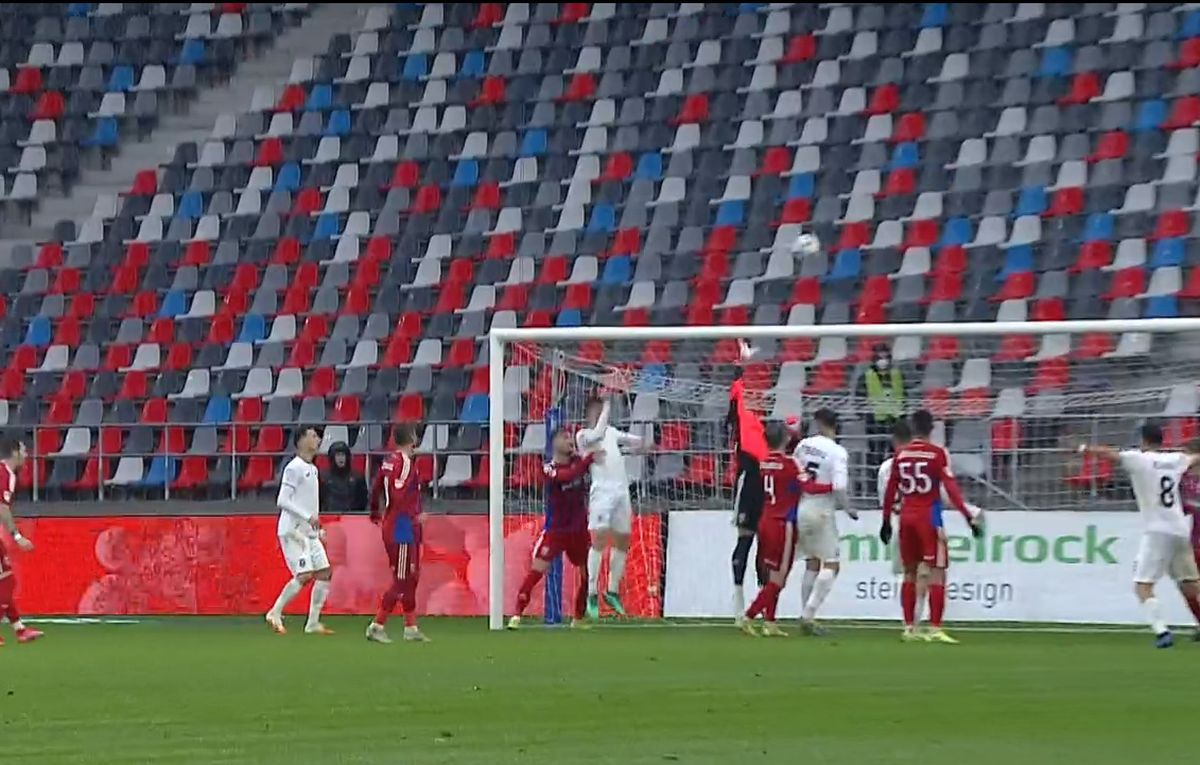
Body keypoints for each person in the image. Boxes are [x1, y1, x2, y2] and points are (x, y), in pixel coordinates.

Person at [1080, 424, 1200, 648]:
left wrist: (1084, 448)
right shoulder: (1176, 459)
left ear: (1143, 440)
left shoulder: (1139, 459)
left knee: (1142, 586)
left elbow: (1109, 453)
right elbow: (1195, 458)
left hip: (1157, 531)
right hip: (1180, 529)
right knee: (1191, 584)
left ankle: (1162, 632)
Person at [880, 410, 982, 644]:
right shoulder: (937, 453)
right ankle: (935, 628)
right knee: (937, 571)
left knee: (909, 572)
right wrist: (968, 517)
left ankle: (909, 628)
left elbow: (891, 490)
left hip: (906, 518)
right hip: (929, 518)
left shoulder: (901, 454)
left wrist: (885, 521)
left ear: (913, 428)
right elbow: (951, 489)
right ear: (932, 429)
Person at [742, 423, 831, 637]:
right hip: (783, 523)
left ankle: (770, 622)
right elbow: (808, 487)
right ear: (785, 439)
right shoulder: (790, 464)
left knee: (773, 574)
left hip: (765, 519)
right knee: (779, 578)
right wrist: (832, 487)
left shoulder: (764, 463)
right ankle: (749, 615)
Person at [508, 428, 599, 630]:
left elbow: (585, 466)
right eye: (565, 437)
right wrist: (588, 460)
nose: (570, 440)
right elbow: (566, 476)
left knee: (587, 574)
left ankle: (578, 617)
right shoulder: (549, 468)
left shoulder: (577, 461)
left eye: (570, 437)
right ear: (554, 443)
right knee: (537, 570)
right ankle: (517, 614)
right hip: (556, 530)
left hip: (579, 530)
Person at [576, 394, 649, 620]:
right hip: (602, 494)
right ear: (588, 413)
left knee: (623, 540)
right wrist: (608, 402)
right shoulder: (584, 435)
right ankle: (591, 592)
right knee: (599, 539)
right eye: (596, 410)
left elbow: (629, 439)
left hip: (621, 491)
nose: (601, 414)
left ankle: (612, 590)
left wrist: (642, 443)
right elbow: (598, 432)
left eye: (602, 410)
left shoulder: (611, 432)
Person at [265, 425, 334, 636]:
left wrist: (317, 528)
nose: (318, 440)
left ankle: (312, 623)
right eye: (313, 436)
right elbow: (282, 500)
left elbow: (309, 502)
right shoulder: (293, 468)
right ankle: (275, 612)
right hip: (292, 530)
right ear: (301, 440)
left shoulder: (313, 469)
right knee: (304, 575)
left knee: (324, 573)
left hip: (308, 532)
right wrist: (307, 517)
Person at [793, 408, 854, 635]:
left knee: (812, 562)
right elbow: (839, 486)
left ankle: (806, 616)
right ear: (835, 425)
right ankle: (808, 615)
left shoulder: (803, 445)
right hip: (822, 511)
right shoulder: (837, 452)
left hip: (802, 507)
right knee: (831, 563)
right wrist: (848, 508)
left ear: (817, 423)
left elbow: (795, 472)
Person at [366, 423, 429, 643]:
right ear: (412, 439)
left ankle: (411, 627)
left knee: (411, 576)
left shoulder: (388, 461)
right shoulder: (404, 463)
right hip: (402, 526)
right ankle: (377, 625)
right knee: (402, 578)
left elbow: (376, 488)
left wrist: (375, 512)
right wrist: (413, 517)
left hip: (395, 523)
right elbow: (398, 493)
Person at [728, 341, 769, 626]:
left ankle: (764, 607)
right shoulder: (740, 394)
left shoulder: (766, 399)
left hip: (767, 477)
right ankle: (738, 605)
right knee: (745, 539)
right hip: (749, 474)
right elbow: (735, 394)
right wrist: (742, 364)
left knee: (766, 545)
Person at [0, 438, 41, 646]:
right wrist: (17, 536)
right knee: (7, 581)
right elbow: (2, 507)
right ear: (15, 452)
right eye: (24, 451)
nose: (26, 455)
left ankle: (20, 630)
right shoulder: (5, 473)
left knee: (5, 581)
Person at [858, 344, 905, 488]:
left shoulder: (898, 375)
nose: (883, 361)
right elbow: (859, 399)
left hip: (895, 422)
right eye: (880, 357)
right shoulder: (866, 376)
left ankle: (895, 484)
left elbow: (904, 396)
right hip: (875, 422)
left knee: (895, 455)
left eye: (885, 357)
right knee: (875, 456)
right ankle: (874, 486)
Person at [1177, 438, 1200, 640]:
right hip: (1196, 542)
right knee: (1186, 585)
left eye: (1188, 454)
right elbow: (1184, 509)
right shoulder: (1185, 480)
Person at [319, 441, 368, 517]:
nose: (340, 458)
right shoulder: (323, 478)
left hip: (352, 517)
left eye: (343, 455)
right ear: (332, 457)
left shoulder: (358, 477)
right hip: (330, 517)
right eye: (338, 455)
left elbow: (363, 502)